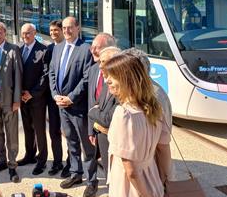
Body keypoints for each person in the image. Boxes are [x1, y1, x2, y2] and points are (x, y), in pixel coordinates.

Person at [102, 52, 170, 197]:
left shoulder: (123, 114)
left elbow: (131, 171)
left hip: (131, 188)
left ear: (126, 80)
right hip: (153, 179)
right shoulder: (155, 107)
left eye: (112, 76)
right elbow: (164, 148)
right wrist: (161, 181)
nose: (107, 80)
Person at [48, 16, 96, 197]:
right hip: (62, 106)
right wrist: (55, 95)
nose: (66, 31)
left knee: (87, 147)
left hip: (78, 107)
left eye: (70, 28)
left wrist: (70, 98)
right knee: (71, 143)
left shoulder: (85, 50)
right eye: (64, 28)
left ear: (78, 28)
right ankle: (76, 174)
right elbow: (52, 72)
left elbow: (86, 79)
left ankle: (92, 182)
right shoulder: (57, 47)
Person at [123, 47, 173, 181]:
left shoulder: (153, 96)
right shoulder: (139, 92)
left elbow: (163, 146)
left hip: (149, 172)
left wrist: (165, 179)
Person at [0, 22, 23, 183]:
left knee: (11, 132)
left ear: (5, 34)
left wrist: (17, 100)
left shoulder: (13, 50)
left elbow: (18, 76)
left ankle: (12, 165)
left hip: (8, 98)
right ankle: (0, 161)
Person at [86, 33, 117, 186]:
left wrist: (92, 112)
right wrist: (91, 129)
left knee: (113, 172)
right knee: (94, 159)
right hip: (96, 129)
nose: (92, 51)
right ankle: (92, 184)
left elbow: (95, 109)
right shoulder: (93, 70)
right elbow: (91, 101)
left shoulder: (118, 82)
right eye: (92, 47)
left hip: (112, 134)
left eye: (96, 48)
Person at [18, 23, 48, 175]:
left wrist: (33, 93)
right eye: (23, 33)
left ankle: (42, 160)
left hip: (37, 99)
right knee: (27, 129)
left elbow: (45, 75)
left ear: (35, 32)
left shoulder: (43, 50)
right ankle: (29, 155)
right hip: (23, 98)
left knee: (39, 129)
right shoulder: (20, 49)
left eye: (28, 33)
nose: (25, 36)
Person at [44, 20, 70, 177]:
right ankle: (57, 161)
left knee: (69, 133)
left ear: (63, 31)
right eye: (51, 30)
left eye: (56, 30)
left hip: (67, 100)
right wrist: (54, 94)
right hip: (53, 98)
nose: (53, 33)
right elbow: (48, 73)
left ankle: (70, 163)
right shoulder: (49, 49)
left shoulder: (71, 48)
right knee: (54, 131)